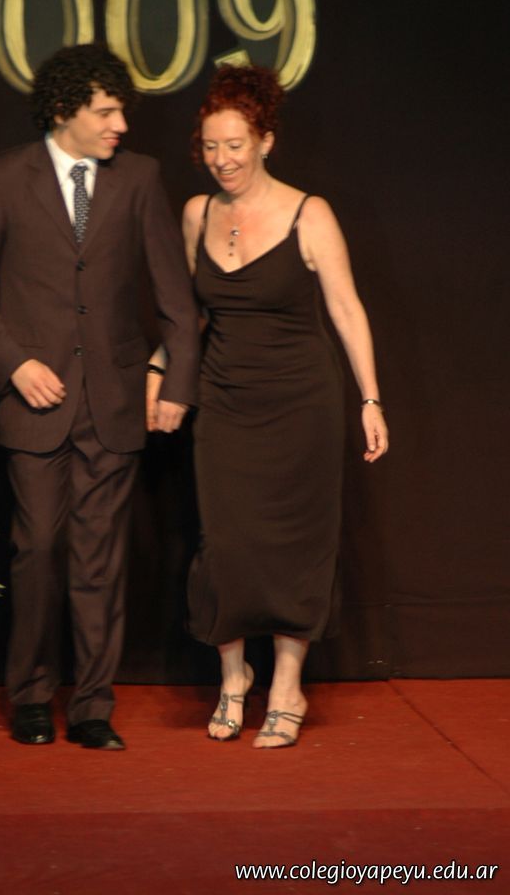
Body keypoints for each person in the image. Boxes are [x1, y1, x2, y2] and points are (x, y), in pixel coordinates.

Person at [0, 44, 199, 750]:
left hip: (114, 403)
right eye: (107, 111)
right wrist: (14, 362)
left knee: (99, 560)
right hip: (35, 401)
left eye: (122, 111)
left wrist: (178, 382)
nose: (121, 125)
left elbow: (175, 295)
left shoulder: (139, 179)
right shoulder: (6, 178)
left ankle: (91, 706)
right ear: (64, 111)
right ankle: (30, 696)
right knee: (37, 550)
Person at [150, 63, 388, 749]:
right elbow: (187, 317)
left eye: (235, 144)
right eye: (210, 146)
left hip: (302, 402)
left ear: (265, 141)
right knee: (224, 544)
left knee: (297, 548)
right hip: (224, 400)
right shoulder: (195, 214)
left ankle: (287, 685)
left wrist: (370, 398)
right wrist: (159, 369)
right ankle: (233, 678)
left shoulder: (310, 214)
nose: (222, 159)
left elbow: (346, 309)